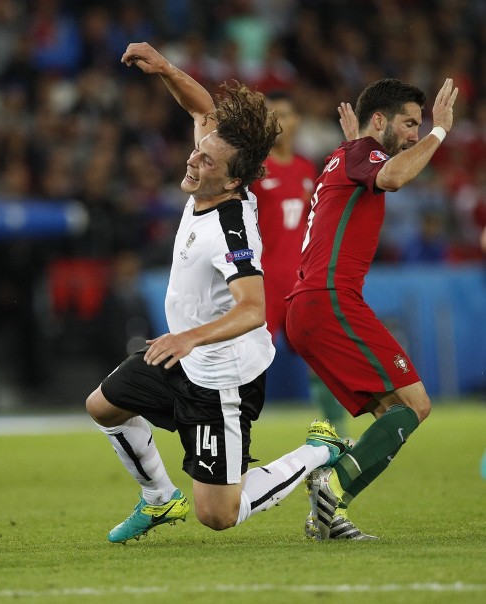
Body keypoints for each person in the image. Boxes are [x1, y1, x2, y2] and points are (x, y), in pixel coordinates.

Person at [85, 42, 349, 543]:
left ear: (233, 181)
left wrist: (189, 339)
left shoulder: (232, 233)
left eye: (206, 162)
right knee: (104, 406)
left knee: (219, 514)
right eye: (197, 151)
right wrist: (164, 68)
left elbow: (254, 308)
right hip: (186, 354)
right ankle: (160, 499)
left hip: (222, 377)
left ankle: (321, 450)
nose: (193, 161)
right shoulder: (216, 169)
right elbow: (203, 108)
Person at [285, 78, 458, 540]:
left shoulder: (346, 155)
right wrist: (442, 131)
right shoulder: (363, 154)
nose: (414, 134)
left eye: (419, 126)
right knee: (414, 405)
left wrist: (359, 141)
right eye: (408, 123)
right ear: (378, 120)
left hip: (310, 307)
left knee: (391, 416)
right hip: (329, 300)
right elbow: (395, 176)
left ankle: (328, 513)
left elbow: (367, 163)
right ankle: (331, 482)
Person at [249, 91, 348, 433]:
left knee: (319, 355)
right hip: (261, 279)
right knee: (250, 356)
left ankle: (336, 431)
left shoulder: (307, 168)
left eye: (286, 113)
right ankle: (235, 429)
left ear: (296, 121)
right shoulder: (253, 168)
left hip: (300, 278)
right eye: (272, 114)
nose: (279, 120)